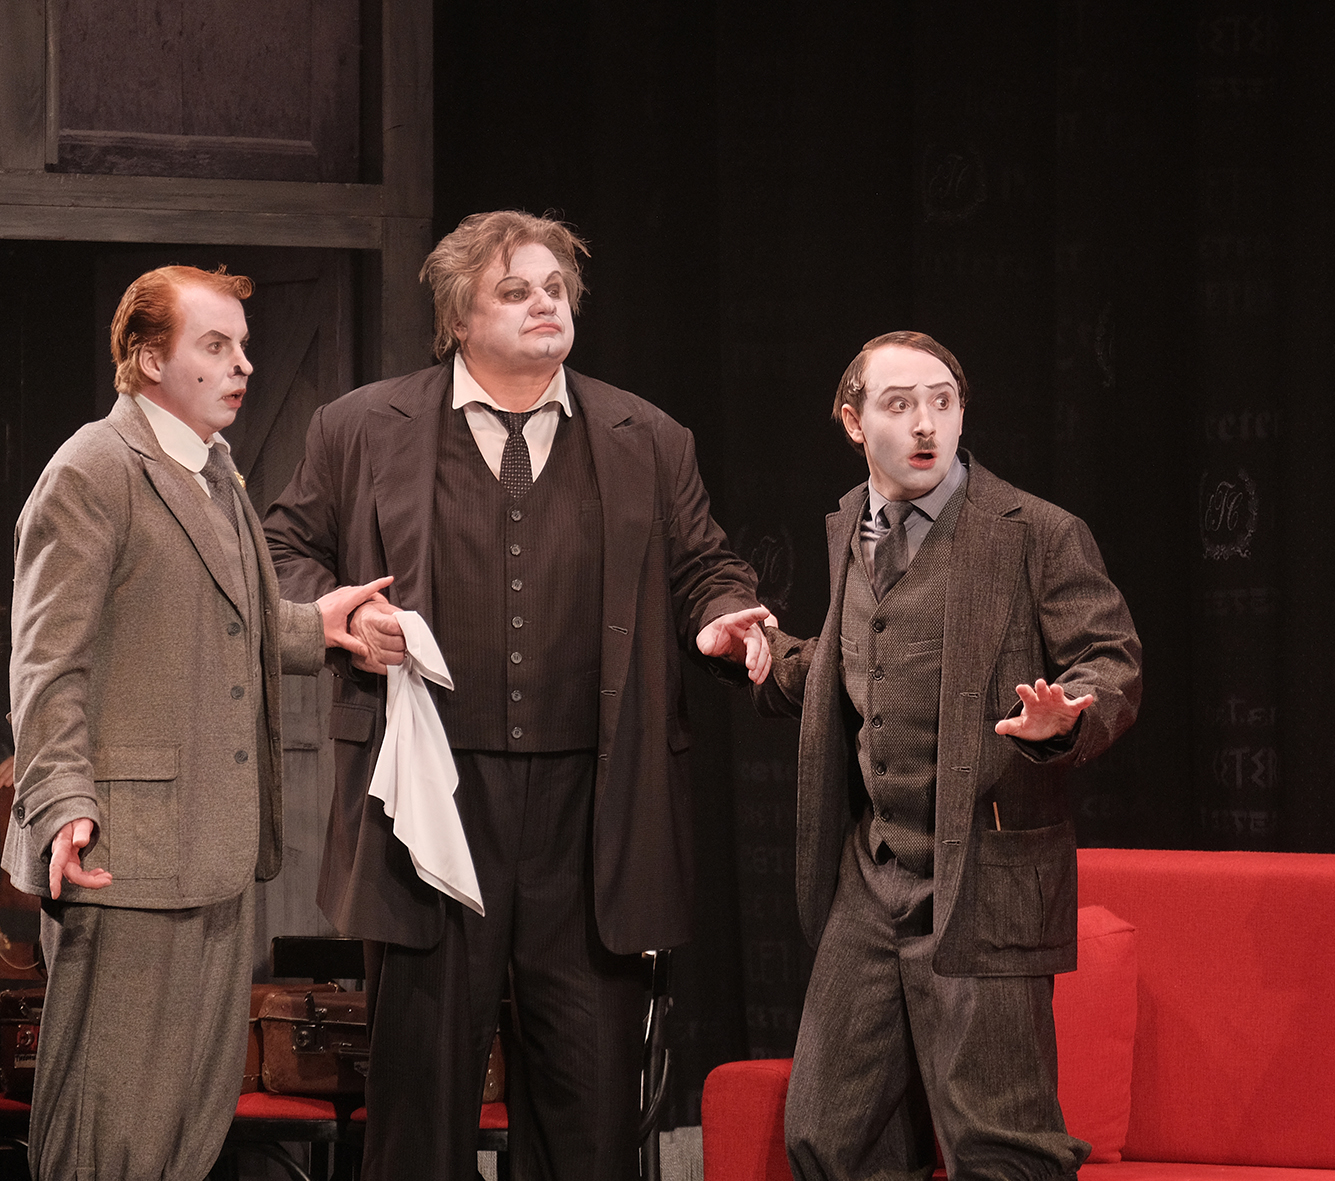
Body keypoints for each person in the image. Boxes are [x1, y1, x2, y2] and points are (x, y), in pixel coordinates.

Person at [265, 210, 771, 1180]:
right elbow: (285, 552)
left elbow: (705, 566)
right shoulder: (360, 426)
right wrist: (340, 613)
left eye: (555, 288)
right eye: (515, 290)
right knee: (420, 1101)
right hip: (428, 797)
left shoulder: (647, 436)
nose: (545, 303)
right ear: (458, 316)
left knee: (587, 1106)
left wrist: (718, 617)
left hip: (594, 808)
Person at [2, 265, 389, 1181]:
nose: (243, 364)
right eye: (216, 345)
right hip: (126, 857)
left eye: (244, 346)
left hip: (212, 848)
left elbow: (217, 616)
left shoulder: (213, 471)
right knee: (109, 1129)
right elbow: (46, 662)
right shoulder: (94, 468)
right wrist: (61, 801)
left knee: (188, 1123)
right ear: (148, 358)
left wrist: (318, 627)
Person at [753, 331, 1142, 1180]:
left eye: (943, 402)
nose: (926, 424)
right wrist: (770, 656)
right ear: (854, 421)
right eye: (899, 405)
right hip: (873, 875)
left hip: (986, 874)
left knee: (1001, 1145)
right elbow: (856, 660)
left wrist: (1065, 718)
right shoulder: (850, 526)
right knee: (829, 1131)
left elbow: (1110, 660)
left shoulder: (1035, 531)